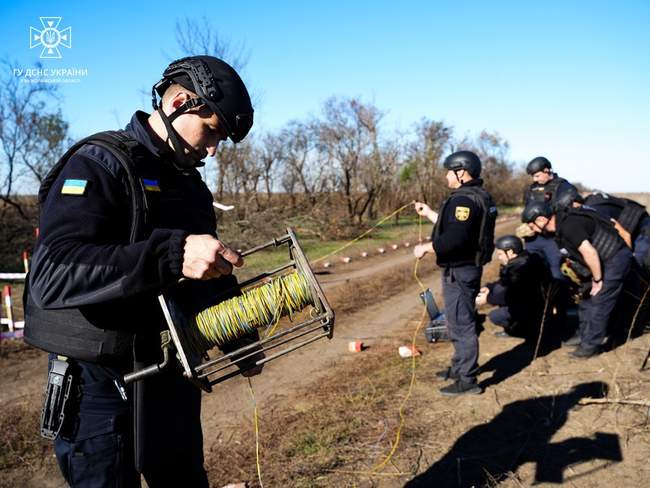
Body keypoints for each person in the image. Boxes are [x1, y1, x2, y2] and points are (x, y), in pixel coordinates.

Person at [23, 56, 258, 487]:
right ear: (181, 102)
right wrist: (169, 254)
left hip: (170, 373)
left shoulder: (190, 188)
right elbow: (51, 275)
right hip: (97, 384)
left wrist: (239, 335)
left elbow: (200, 279)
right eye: (210, 132)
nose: (212, 151)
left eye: (220, 140)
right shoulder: (98, 164)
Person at [414, 151, 497, 396]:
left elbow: (456, 238)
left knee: (461, 324)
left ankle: (467, 380)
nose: (446, 175)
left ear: (462, 172)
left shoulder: (464, 200)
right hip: (462, 270)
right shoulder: (471, 197)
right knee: (455, 319)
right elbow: (457, 227)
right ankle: (459, 367)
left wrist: (426, 248)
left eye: (450, 170)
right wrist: (429, 213)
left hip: (461, 271)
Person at [522, 198, 633, 358]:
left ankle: (590, 346)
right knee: (586, 296)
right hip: (600, 261)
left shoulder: (569, 226)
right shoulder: (559, 228)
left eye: (532, 225)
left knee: (600, 300)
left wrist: (597, 280)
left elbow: (589, 252)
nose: (533, 230)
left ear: (541, 219)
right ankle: (583, 334)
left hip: (615, 258)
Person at [476, 235, 551, 339]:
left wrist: (487, 299)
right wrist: (490, 287)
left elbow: (513, 295)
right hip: (529, 303)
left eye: (500, 254)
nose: (499, 257)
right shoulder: (520, 260)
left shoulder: (522, 269)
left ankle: (528, 332)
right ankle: (524, 328)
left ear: (510, 252)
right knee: (498, 290)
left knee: (495, 317)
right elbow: (504, 283)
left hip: (533, 307)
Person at [519, 156, 577, 280]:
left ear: (547, 170)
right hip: (533, 239)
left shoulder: (563, 187)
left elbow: (570, 212)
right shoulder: (531, 189)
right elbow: (527, 210)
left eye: (537, 175)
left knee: (556, 271)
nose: (535, 179)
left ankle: (560, 296)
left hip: (553, 239)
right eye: (533, 176)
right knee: (532, 270)